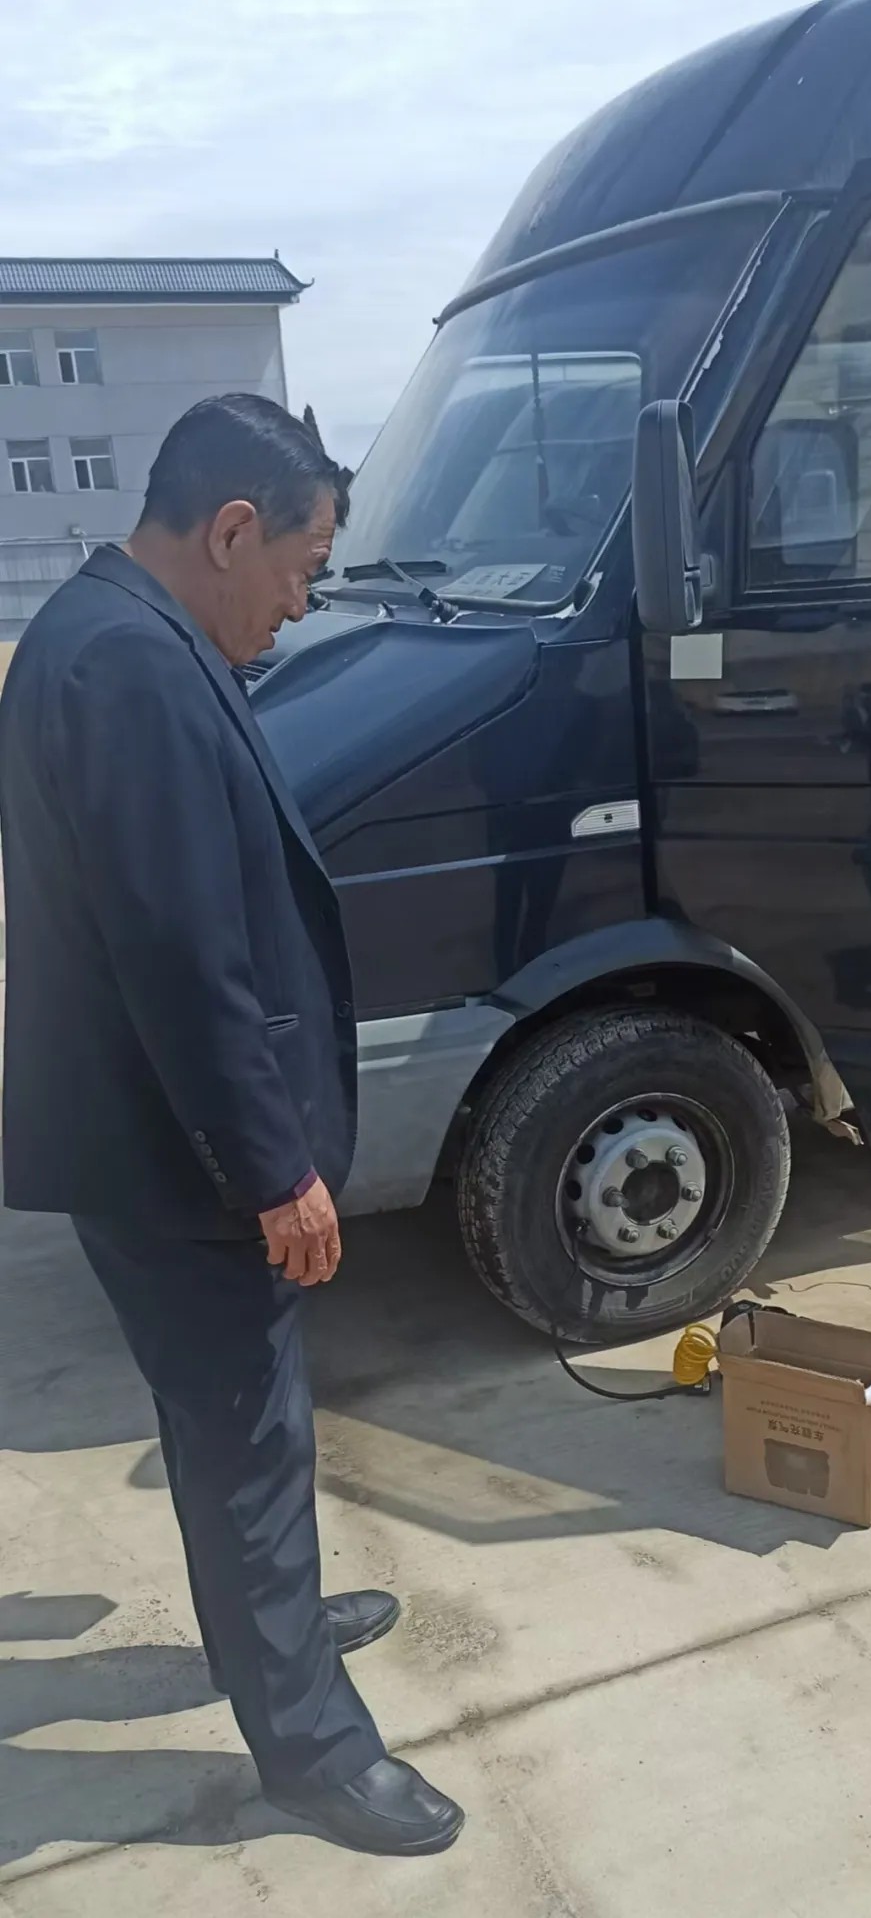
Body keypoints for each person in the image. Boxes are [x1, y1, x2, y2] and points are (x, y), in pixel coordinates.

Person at [0, 394, 464, 1858]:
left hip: (147, 1139)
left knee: (230, 1430)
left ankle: (274, 1628)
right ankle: (312, 1750)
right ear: (232, 528)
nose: (303, 603)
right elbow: (180, 954)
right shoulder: (132, 667)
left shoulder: (103, 631)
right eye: (304, 568)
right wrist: (274, 1169)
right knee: (249, 1439)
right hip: (179, 1161)